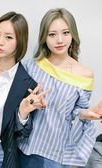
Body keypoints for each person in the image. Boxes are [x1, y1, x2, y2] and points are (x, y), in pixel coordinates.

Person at [19, 8, 99, 167]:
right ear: (44, 37)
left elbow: (77, 112)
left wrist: (86, 114)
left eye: (65, 33)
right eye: (52, 34)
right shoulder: (30, 66)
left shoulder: (84, 75)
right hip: (25, 149)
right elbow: (16, 108)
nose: (59, 40)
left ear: (73, 34)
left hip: (56, 155)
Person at [0, 11, 49, 168]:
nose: (0, 42)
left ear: (19, 41)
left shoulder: (28, 84)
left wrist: (23, 113)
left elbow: (22, 134)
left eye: (8, 37)